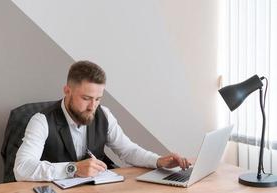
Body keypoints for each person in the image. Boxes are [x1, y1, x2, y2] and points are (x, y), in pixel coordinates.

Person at [14, 60, 190, 181]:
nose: (93, 106)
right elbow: (21, 168)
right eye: (86, 98)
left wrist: (159, 161)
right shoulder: (41, 121)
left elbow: (127, 150)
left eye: (98, 99)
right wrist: (73, 169)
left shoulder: (104, 114)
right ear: (67, 91)